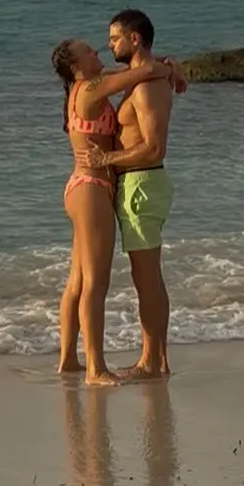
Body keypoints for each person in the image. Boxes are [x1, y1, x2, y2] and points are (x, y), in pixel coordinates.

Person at [51, 40, 182, 387]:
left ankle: (68, 360)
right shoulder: (92, 87)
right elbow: (143, 71)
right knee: (96, 281)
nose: (98, 52)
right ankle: (95, 369)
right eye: (90, 51)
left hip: (82, 188)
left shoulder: (86, 86)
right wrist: (169, 68)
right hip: (92, 188)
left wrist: (167, 65)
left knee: (78, 281)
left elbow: (131, 73)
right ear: (77, 65)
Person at [83, 8, 178, 381]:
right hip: (140, 184)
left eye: (114, 39)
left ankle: (150, 362)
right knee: (147, 277)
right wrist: (171, 66)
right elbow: (103, 76)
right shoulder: (140, 79)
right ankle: (156, 359)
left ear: (134, 39)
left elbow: (155, 148)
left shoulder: (146, 88)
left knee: (147, 277)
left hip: (143, 182)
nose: (109, 47)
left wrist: (107, 156)